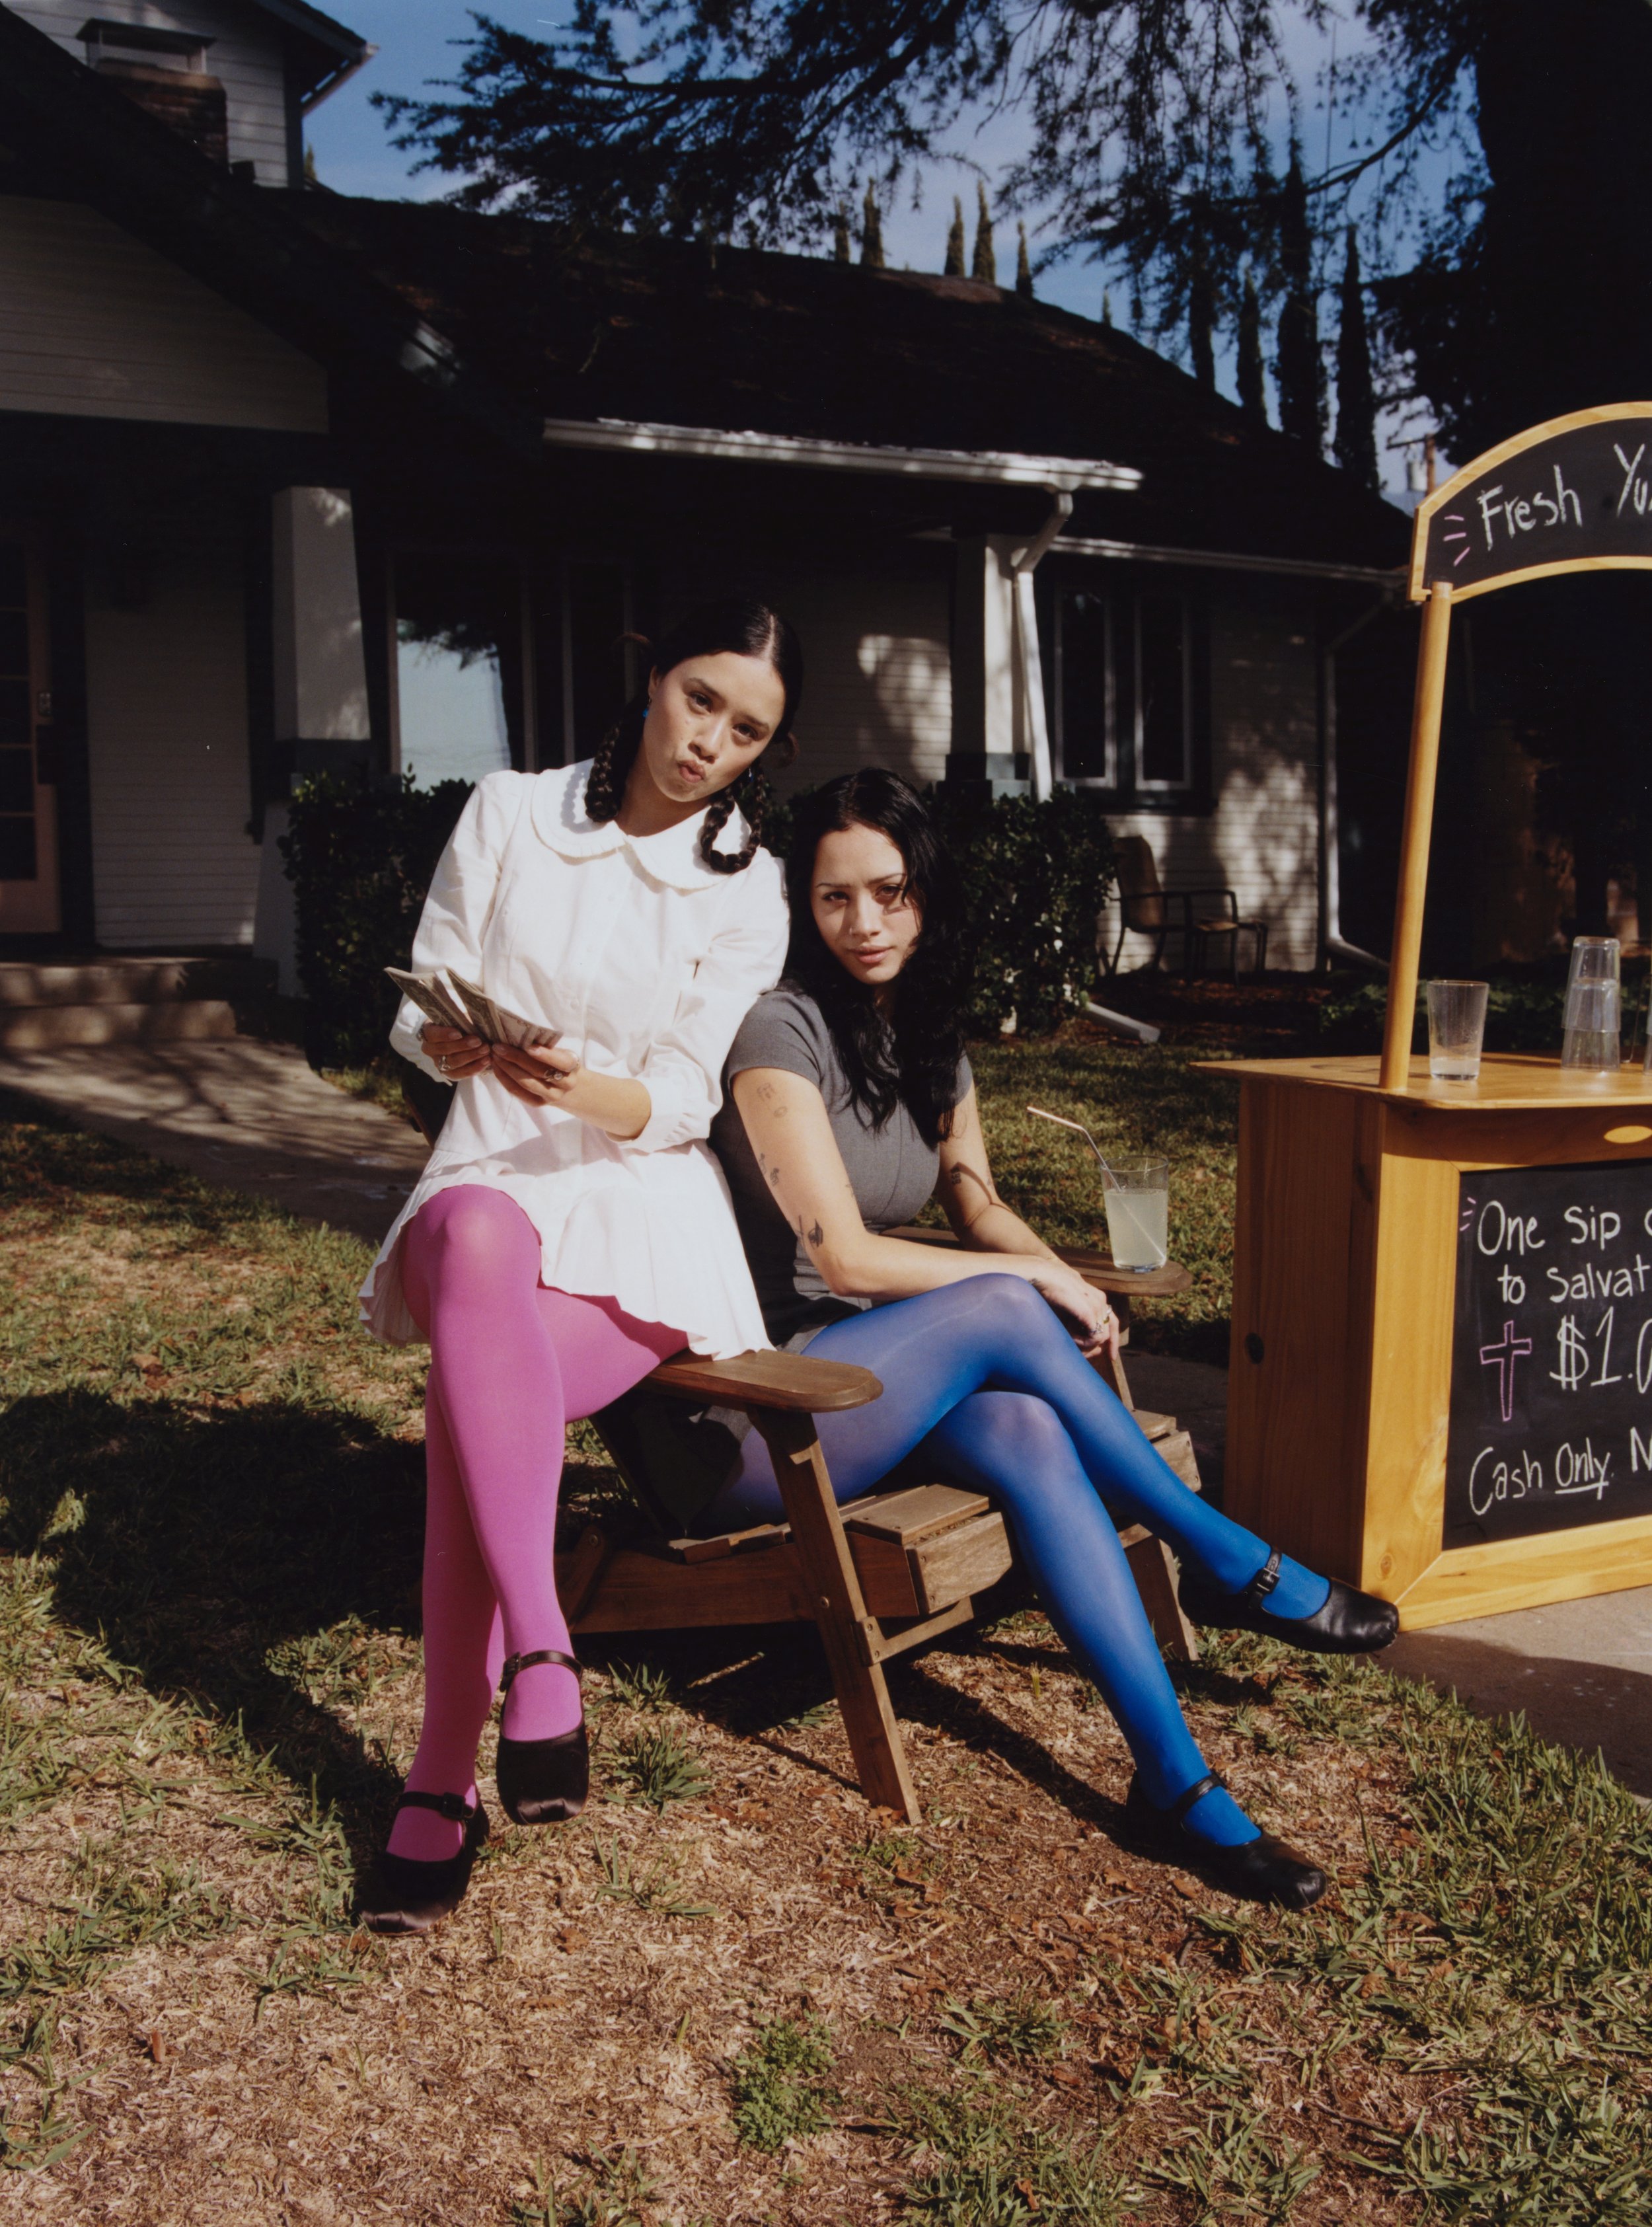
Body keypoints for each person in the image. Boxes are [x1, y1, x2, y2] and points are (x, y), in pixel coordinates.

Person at [699, 769, 1396, 1907]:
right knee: (1010, 1304)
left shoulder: (924, 1030)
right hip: (769, 1399)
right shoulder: (780, 1030)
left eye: (888, 892)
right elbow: (844, 1260)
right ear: (802, 905)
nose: (863, 923)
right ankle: (1224, 1557)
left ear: (925, 892)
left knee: (1026, 1429)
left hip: (888, 1369)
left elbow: (974, 1203)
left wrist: (1059, 1273)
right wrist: (1028, 1283)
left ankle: (1176, 1788)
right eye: (834, 899)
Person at [355, 598, 802, 1933]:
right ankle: (542, 1644)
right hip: (485, 1176)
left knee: (470, 1413)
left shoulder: (748, 887)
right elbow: (419, 989)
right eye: (700, 699)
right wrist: (449, 1046)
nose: (710, 742)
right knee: (479, 1233)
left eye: (746, 730)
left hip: (636, 1216)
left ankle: (438, 1781)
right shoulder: (508, 811)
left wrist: (584, 1084)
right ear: (651, 674)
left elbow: (678, 1097)